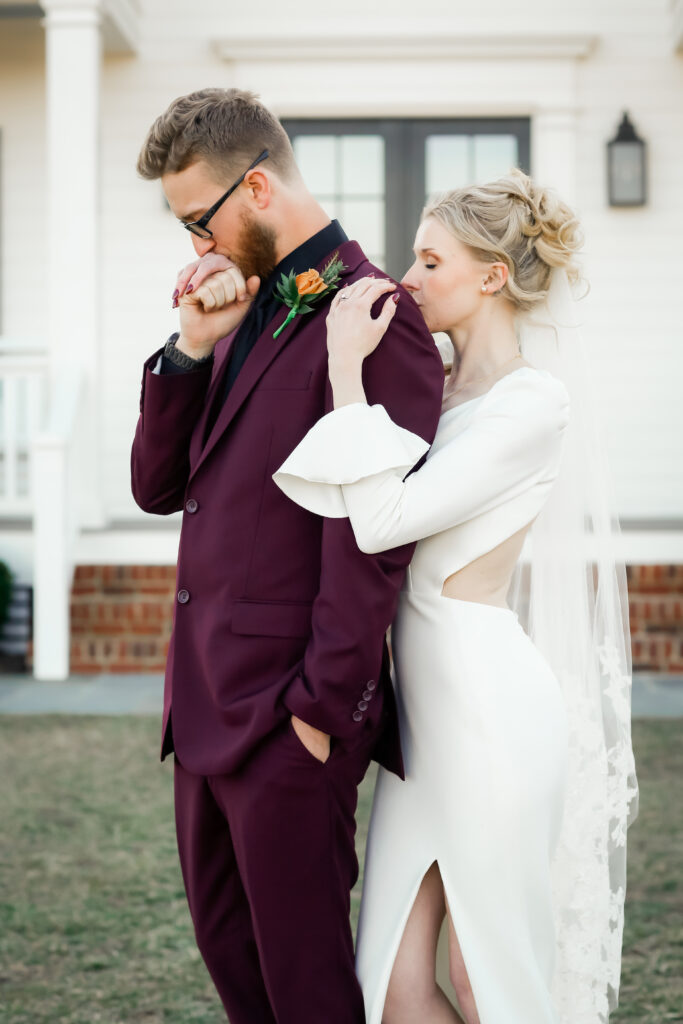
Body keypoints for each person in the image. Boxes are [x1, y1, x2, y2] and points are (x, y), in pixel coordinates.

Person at [274, 170, 639, 1023]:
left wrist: (344, 375)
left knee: (487, 983)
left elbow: (380, 522)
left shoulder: (531, 405)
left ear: (491, 277)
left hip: (490, 720)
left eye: (429, 260)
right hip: (420, 728)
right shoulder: (431, 388)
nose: (407, 278)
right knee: (394, 991)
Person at [130, 87, 444, 1024]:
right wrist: (190, 349)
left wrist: (320, 711)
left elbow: (375, 539)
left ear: (255, 185)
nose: (197, 250)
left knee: (305, 993)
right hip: (202, 711)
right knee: (239, 977)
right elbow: (157, 485)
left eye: (199, 221)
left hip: (287, 724)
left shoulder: (376, 318)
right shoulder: (240, 307)